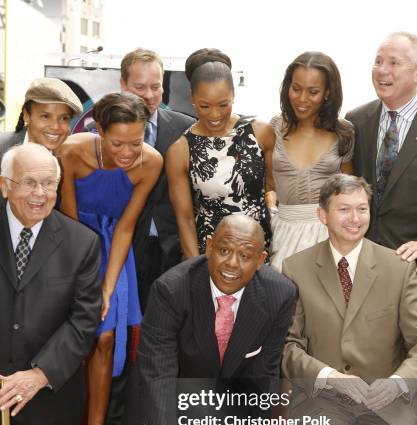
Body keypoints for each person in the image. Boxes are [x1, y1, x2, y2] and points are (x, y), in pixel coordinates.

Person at [114, 214, 296, 425]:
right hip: (165, 398)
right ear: (209, 246)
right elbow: (158, 376)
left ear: (262, 260)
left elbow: (262, 377)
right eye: (224, 250)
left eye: (245, 256)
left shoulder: (280, 294)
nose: (232, 264)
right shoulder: (171, 288)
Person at [281, 174, 417, 425]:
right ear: (322, 214)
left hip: (382, 397)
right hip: (325, 395)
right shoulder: (296, 267)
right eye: (344, 209)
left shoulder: (399, 267)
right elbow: (289, 347)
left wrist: (396, 383)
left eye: (362, 209)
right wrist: (330, 377)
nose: (355, 219)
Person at [60, 92, 163, 425]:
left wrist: (107, 287)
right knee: (72, 341)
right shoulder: (71, 152)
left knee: (104, 338)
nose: (127, 152)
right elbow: (70, 225)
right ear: (98, 130)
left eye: (136, 141)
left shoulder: (151, 163)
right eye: (117, 142)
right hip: (72, 246)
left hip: (116, 249)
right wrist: (84, 283)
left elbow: (125, 228)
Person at [0, 143, 101, 425]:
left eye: (49, 184)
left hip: (45, 395)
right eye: (29, 182)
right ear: (5, 185)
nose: (40, 194)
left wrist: (39, 376)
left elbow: (83, 321)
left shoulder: (82, 243)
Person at [166, 48, 276, 259]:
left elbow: (273, 189)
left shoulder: (261, 133)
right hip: (211, 255)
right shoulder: (180, 150)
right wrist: (194, 268)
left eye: (223, 104)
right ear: (192, 98)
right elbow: (185, 219)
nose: (214, 115)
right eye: (204, 106)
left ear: (234, 95)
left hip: (259, 252)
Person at [120, 48, 195, 312]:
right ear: (123, 85)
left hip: (172, 249)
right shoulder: (102, 132)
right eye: (139, 87)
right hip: (124, 248)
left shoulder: (186, 129)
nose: (149, 95)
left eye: (156, 86)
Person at [270, 51, 354, 272]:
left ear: (327, 92)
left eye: (313, 92)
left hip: (329, 234)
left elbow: (350, 192)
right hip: (282, 232)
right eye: (296, 89)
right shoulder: (274, 128)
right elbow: (266, 183)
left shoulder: (344, 132)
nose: (302, 99)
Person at [346, 32, 417, 254]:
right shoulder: (356, 121)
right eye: (378, 61)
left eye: (394, 62)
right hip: (362, 255)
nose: (382, 70)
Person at [0, 77, 82, 159]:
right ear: (26, 116)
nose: (55, 126)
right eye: (46, 117)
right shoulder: (2, 147)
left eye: (64, 118)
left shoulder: (74, 158)